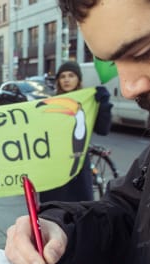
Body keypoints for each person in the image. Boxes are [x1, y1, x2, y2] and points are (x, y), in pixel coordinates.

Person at [5, 1, 150, 264]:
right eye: (113, 62)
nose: (130, 87)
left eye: (146, 51)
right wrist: (62, 228)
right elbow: (131, 212)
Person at [39, 61, 112, 203]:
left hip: (78, 167)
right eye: (62, 76)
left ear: (79, 79)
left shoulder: (88, 103)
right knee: (54, 210)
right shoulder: (51, 103)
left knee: (81, 211)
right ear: (58, 81)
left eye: (71, 75)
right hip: (54, 167)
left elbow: (103, 130)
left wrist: (104, 105)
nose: (66, 79)